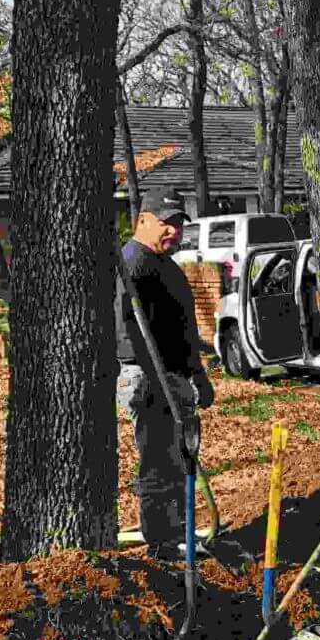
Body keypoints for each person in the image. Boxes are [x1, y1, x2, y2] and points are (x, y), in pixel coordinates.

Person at [115, 201, 216, 555]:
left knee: (178, 458)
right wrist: (155, 376)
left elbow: (183, 328)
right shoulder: (132, 263)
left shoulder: (163, 264)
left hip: (173, 375)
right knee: (160, 459)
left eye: (178, 224)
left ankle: (179, 531)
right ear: (142, 221)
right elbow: (126, 328)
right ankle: (164, 540)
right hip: (150, 376)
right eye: (165, 222)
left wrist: (198, 375)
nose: (174, 230)